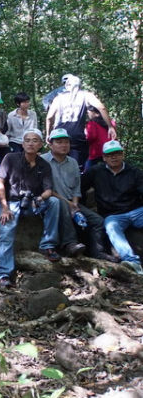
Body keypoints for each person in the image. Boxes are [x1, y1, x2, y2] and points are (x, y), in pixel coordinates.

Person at [0, 129, 61, 287]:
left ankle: (48, 245)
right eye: (27, 140)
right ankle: (4, 274)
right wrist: (4, 207)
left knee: (54, 202)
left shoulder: (43, 165)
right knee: (6, 234)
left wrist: (39, 198)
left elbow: (48, 190)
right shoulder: (10, 158)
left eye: (35, 140)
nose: (31, 143)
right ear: (22, 143)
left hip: (30, 203)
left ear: (41, 144)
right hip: (9, 202)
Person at [40, 128, 117, 261]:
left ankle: (97, 251)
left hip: (71, 201)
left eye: (66, 142)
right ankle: (69, 244)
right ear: (50, 144)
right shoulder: (42, 161)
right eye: (59, 142)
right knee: (61, 204)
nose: (64, 145)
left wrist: (75, 204)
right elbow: (45, 188)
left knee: (98, 221)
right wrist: (69, 203)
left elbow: (76, 188)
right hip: (52, 201)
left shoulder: (73, 162)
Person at [82, 141, 143, 275]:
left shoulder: (134, 172)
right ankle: (133, 262)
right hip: (113, 215)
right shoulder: (96, 171)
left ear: (122, 155)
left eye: (117, 154)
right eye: (109, 155)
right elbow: (80, 188)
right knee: (111, 226)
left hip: (137, 211)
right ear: (104, 158)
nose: (113, 157)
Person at [45, 74, 116, 171]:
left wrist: (49, 133)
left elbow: (49, 117)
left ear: (66, 86)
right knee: (76, 168)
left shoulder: (59, 98)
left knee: (58, 165)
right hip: (77, 137)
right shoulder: (86, 95)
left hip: (60, 134)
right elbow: (101, 107)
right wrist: (110, 126)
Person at [84, 105, 115, 172]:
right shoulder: (111, 123)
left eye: (89, 113)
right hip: (110, 150)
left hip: (96, 152)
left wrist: (85, 137)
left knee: (88, 172)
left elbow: (92, 137)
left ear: (95, 113)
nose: (88, 115)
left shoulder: (92, 124)